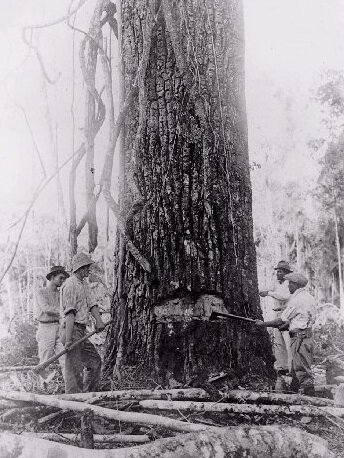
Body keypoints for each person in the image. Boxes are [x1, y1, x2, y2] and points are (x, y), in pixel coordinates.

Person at [256, 272, 316, 396]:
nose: (288, 287)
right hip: (306, 336)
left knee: (302, 371)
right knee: (295, 369)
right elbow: (304, 317)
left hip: (299, 338)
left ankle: (312, 402)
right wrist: (288, 325)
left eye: (290, 284)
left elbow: (281, 320)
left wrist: (263, 324)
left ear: (295, 284)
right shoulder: (309, 297)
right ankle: (292, 397)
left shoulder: (297, 299)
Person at [60, 252, 106, 394]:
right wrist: (68, 340)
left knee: (94, 362)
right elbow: (70, 314)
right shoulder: (70, 285)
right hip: (71, 329)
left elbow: (92, 304)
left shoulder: (84, 284)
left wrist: (99, 321)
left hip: (81, 331)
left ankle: (87, 396)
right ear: (80, 268)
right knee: (74, 371)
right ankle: (73, 404)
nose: (88, 270)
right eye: (86, 267)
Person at [259, 260, 292, 388]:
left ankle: (291, 369)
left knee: (288, 342)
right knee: (279, 343)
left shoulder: (289, 284)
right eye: (277, 271)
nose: (278, 273)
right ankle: (281, 368)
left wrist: (269, 293)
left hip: (288, 317)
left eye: (280, 271)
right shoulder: (278, 284)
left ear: (286, 273)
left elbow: (284, 296)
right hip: (278, 315)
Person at [35, 266, 70, 382]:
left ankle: (70, 390)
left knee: (65, 357)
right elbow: (46, 308)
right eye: (60, 278)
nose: (62, 280)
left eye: (64, 279)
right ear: (52, 277)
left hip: (59, 327)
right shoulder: (41, 292)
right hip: (45, 327)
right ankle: (42, 389)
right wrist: (63, 312)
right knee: (45, 359)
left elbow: (67, 308)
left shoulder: (61, 293)